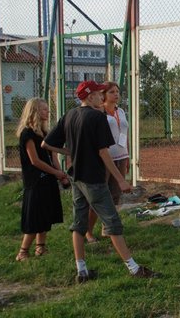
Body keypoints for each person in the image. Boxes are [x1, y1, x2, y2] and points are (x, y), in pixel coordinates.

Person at [43, 80, 158, 282]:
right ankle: (134, 268)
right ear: (90, 97)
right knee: (112, 222)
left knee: (79, 222)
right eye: (97, 93)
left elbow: (47, 144)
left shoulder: (70, 115)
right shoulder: (97, 117)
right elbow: (103, 153)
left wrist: (72, 152)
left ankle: (82, 270)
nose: (101, 96)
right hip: (93, 177)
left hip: (76, 175)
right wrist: (120, 180)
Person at [15, 98, 68, 262]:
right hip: (35, 181)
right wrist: (55, 173)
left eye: (47, 109)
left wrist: (61, 175)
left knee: (45, 214)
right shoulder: (27, 134)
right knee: (34, 217)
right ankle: (23, 252)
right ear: (35, 112)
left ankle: (41, 247)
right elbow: (35, 161)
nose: (48, 112)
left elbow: (53, 157)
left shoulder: (45, 134)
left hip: (48, 180)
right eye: (44, 110)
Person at [85, 81, 129, 244]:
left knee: (115, 194)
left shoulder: (121, 111)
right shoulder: (99, 112)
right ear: (103, 95)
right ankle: (88, 231)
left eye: (117, 91)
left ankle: (107, 227)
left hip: (121, 156)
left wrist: (128, 155)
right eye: (112, 92)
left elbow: (125, 132)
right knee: (99, 195)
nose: (116, 94)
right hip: (105, 159)